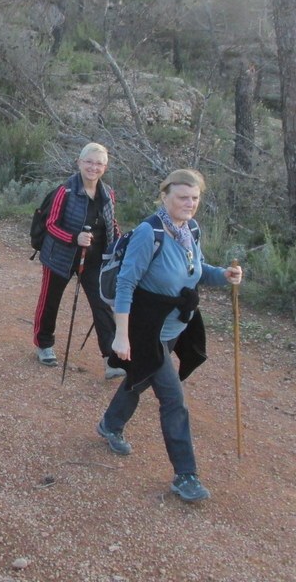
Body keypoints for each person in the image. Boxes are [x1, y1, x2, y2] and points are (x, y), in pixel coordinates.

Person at [96, 169, 243, 503]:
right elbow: (126, 283)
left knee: (141, 377)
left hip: (176, 324)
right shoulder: (151, 232)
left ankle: (110, 424)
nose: (189, 204)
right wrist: (121, 335)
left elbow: (197, 270)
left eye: (194, 198)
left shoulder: (190, 229)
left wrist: (224, 275)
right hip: (146, 327)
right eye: (182, 197)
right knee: (173, 399)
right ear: (164, 196)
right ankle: (186, 474)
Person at [32, 143, 124, 378]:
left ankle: (111, 359)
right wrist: (75, 238)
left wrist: (121, 245)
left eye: (99, 163)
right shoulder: (66, 190)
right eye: (89, 162)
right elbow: (51, 224)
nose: (93, 167)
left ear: (105, 167)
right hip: (60, 256)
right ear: (79, 162)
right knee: (50, 300)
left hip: (94, 260)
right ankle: (44, 345)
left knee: (102, 305)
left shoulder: (108, 193)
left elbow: (111, 224)